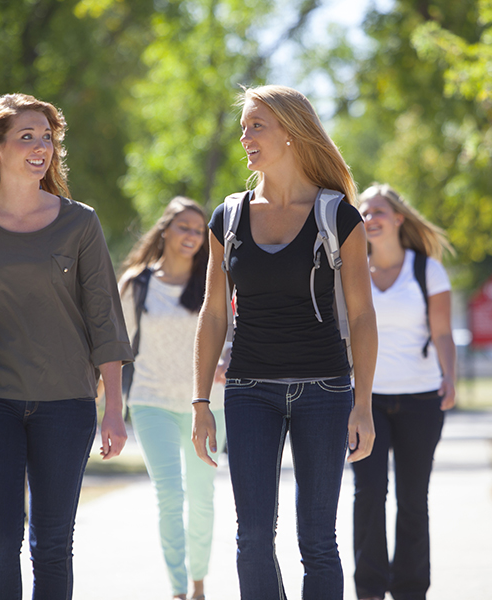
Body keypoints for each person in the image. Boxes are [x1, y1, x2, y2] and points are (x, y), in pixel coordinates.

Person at [0, 93, 133, 600]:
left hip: (67, 404)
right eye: (27, 137)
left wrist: (114, 408)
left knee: (53, 543)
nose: (42, 147)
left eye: (48, 138)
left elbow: (103, 316)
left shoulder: (80, 222)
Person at [191, 84, 378, 600]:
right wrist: (201, 401)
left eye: (257, 125)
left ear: (292, 133)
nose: (245, 135)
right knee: (252, 538)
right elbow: (212, 316)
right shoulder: (227, 218)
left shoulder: (337, 216)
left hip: (326, 389)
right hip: (250, 389)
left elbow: (362, 316)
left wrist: (362, 403)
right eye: (244, 125)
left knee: (317, 539)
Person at [351, 183, 457, 600]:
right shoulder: (351, 267)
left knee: (413, 498)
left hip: (420, 400)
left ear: (398, 219)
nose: (370, 217)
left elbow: (443, 332)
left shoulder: (426, 269)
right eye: (364, 212)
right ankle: (370, 589)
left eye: (379, 211)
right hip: (366, 403)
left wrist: (450, 376)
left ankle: (411, 589)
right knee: (369, 493)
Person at [119, 196, 227, 600]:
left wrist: (227, 358)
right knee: (169, 495)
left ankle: (199, 584)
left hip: (209, 406)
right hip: (151, 402)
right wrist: (103, 407)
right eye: (184, 227)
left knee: (201, 497)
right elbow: (113, 349)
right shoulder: (135, 284)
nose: (192, 236)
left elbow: (233, 336)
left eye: (199, 230)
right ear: (164, 229)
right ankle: (179, 590)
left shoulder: (215, 281)